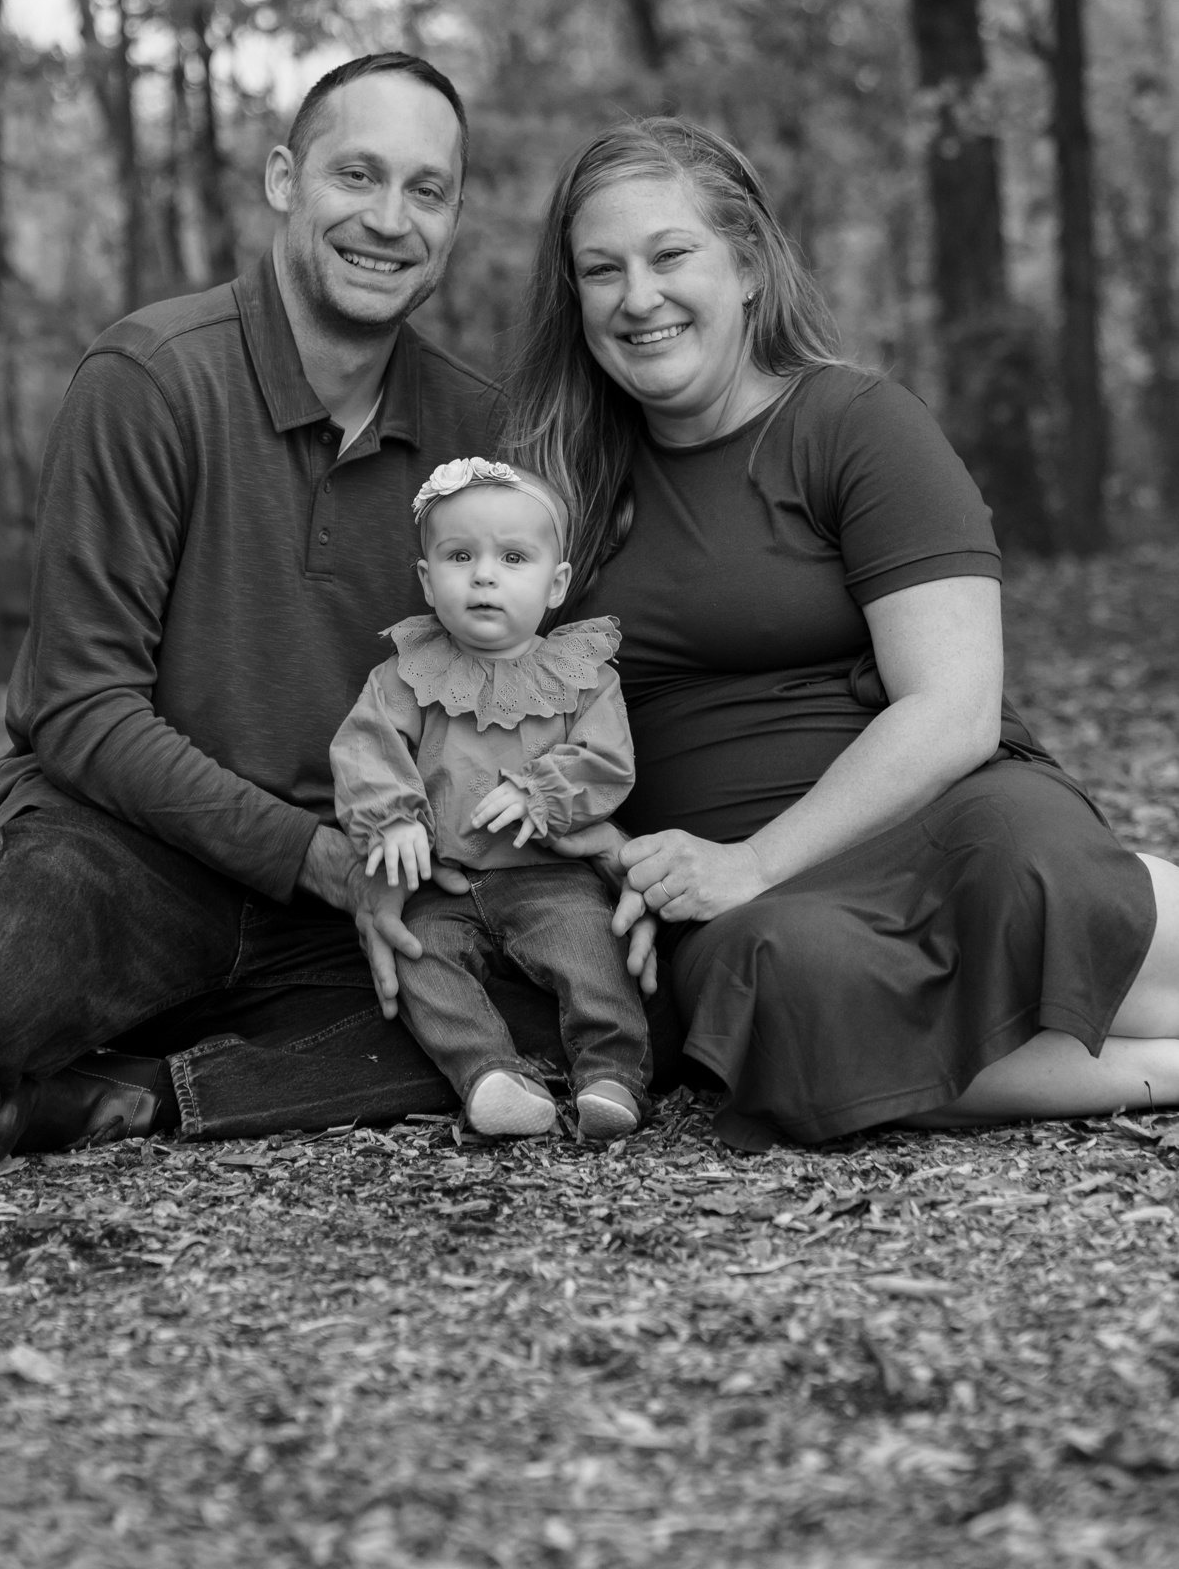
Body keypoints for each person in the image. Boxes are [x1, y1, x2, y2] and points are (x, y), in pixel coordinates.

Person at [0, 53, 674, 1176]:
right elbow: (79, 706)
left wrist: (601, 853)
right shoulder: (152, 378)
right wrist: (320, 857)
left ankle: (119, 1091)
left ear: (457, 215)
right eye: (356, 175)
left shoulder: (484, 438)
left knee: (545, 1018)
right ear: (283, 179)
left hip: (380, 878)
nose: (388, 218)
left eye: (427, 190)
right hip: (134, 847)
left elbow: (541, 690)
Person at [503, 116, 1179, 1148]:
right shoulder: (554, 487)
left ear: (748, 266)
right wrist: (607, 853)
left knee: (1032, 874)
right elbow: (506, 722)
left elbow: (953, 706)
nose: (638, 297)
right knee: (783, 989)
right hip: (740, 897)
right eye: (602, 269)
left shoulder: (855, 423)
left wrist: (758, 860)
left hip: (932, 812)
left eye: (670, 253)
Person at [331, 455, 648, 1140]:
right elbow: (366, 750)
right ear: (426, 578)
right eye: (458, 556)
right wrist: (389, 823)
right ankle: (489, 1075)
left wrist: (541, 792)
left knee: (593, 949)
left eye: (511, 557)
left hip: (549, 876)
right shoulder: (406, 674)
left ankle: (612, 1074)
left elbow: (605, 760)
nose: (483, 575)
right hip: (441, 886)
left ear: (555, 582)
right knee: (417, 957)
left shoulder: (581, 675)